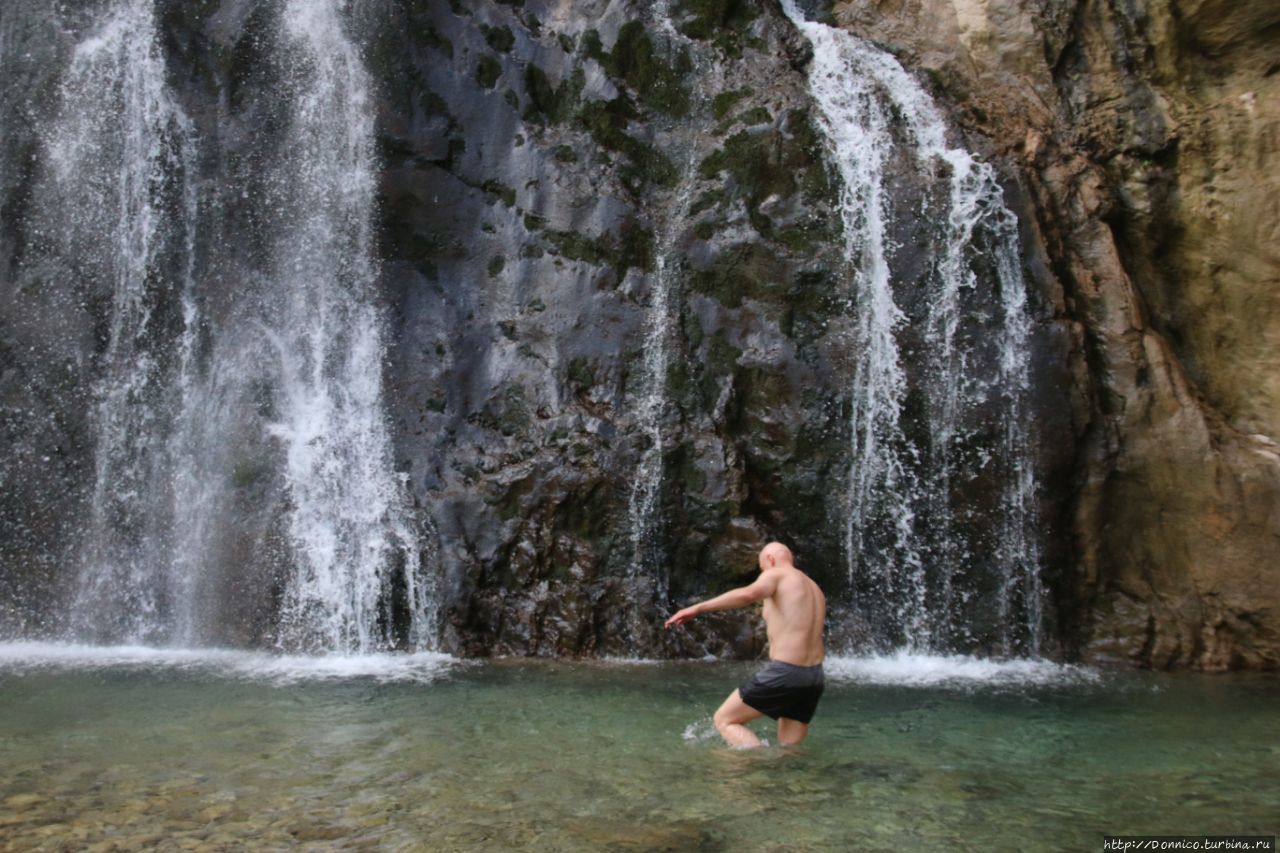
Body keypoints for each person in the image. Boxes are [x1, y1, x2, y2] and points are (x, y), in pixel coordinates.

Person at [664, 542, 826, 748]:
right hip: (814, 677)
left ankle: (755, 768)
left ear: (770, 559)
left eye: (761, 569)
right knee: (790, 749)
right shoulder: (813, 587)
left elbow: (748, 594)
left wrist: (697, 609)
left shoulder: (776, 573)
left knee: (725, 720)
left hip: (786, 672)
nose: (763, 574)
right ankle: (787, 778)